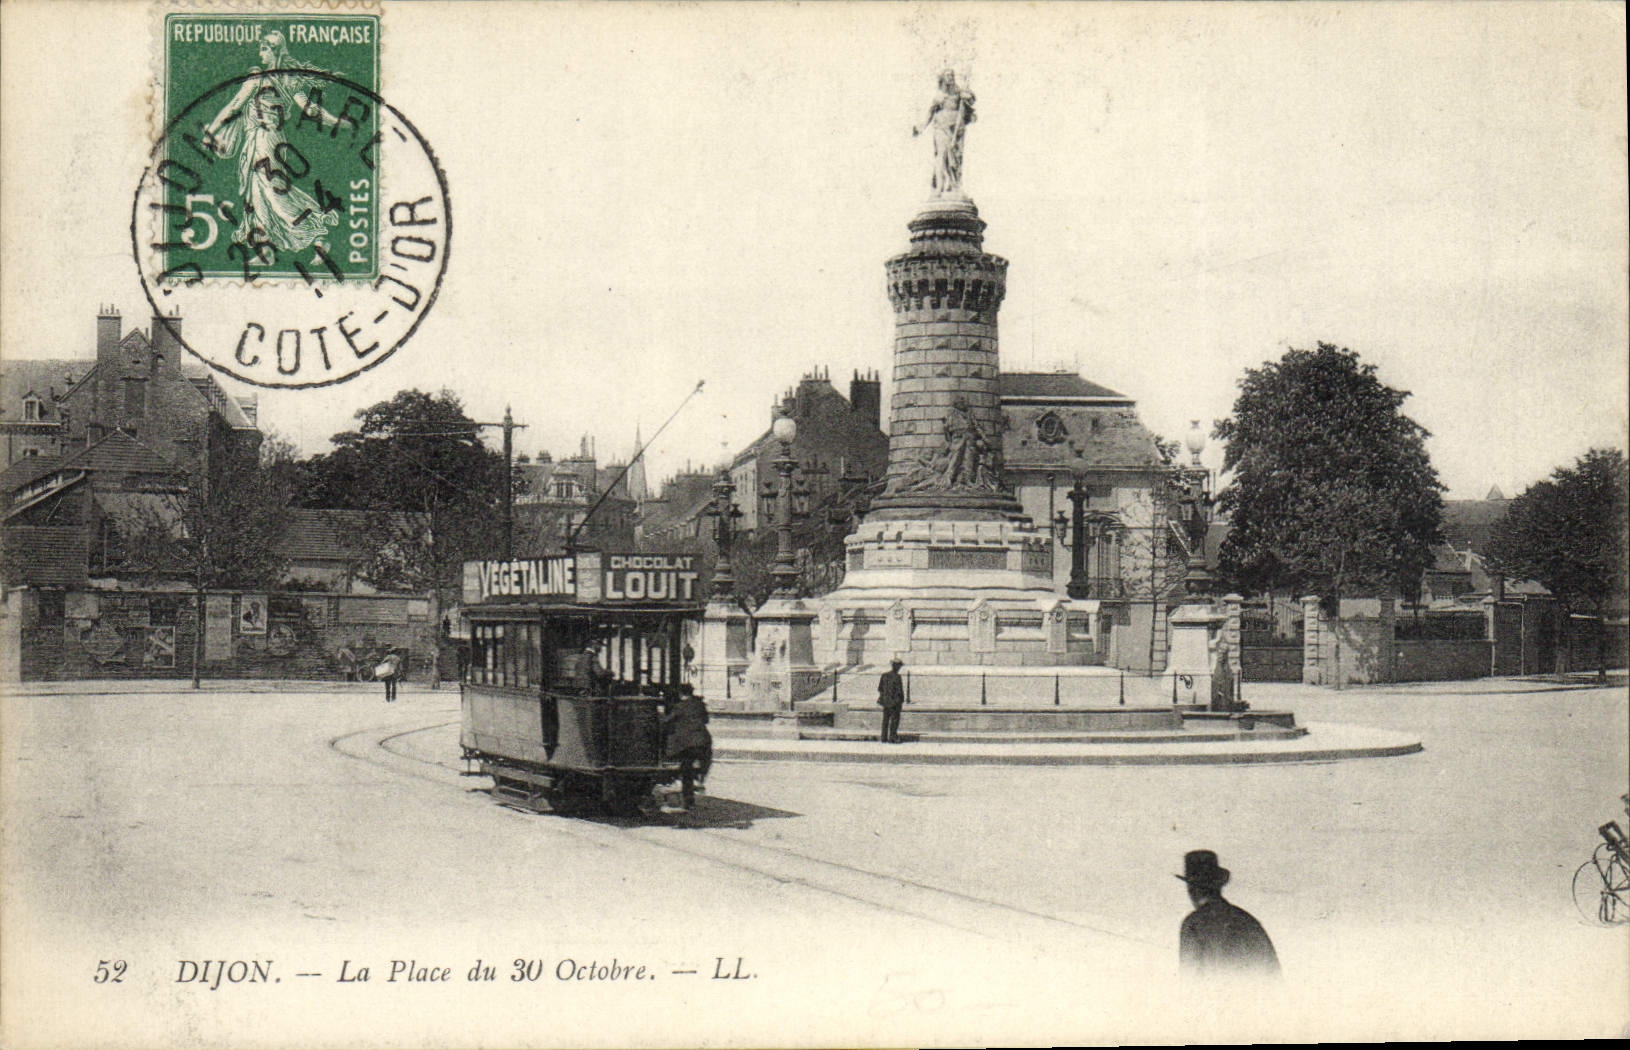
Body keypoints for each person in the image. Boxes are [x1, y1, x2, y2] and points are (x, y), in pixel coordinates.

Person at [201, 31, 342, 259]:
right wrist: (337, 122)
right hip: (275, 141)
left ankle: (316, 236)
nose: (260, 54)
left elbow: (234, 106)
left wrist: (212, 130)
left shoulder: (258, 78)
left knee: (271, 193)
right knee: (263, 193)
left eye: (264, 49)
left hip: (262, 142)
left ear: (274, 51)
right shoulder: (290, 81)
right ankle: (266, 247)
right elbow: (310, 110)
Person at [1177, 850, 1280, 980]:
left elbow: (1190, 982)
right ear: (1218, 885)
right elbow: (1275, 977)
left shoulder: (1193, 924)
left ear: (1191, 889)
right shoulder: (1249, 921)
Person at [912, 69, 977, 199]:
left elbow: (971, 99)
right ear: (943, 79)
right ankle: (940, 187)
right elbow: (930, 113)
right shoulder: (939, 96)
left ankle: (954, 186)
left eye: (952, 75)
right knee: (941, 156)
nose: (951, 78)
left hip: (956, 129)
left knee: (956, 159)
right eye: (948, 76)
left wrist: (968, 92)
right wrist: (922, 127)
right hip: (941, 128)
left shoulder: (958, 93)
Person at [662, 685, 712, 810]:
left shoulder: (679, 706)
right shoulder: (699, 704)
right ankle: (699, 779)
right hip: (703, 742)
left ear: (680, 694)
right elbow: (706, 720)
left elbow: (667, 720)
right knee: (699, 762)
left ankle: (687, 798)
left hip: (686, 745)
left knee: (686, 770)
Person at [877, 658, 907, 743]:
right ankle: (892, 737)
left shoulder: (884, 675)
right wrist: (901, 701)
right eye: (899, 666)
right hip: (894, 703)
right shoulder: (897, 677)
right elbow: (899, 691)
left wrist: (884, 697)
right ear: (897, 667)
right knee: (894, 721)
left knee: (885, 720)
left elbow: (880, 688)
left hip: (885, 702)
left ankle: (884, 737)